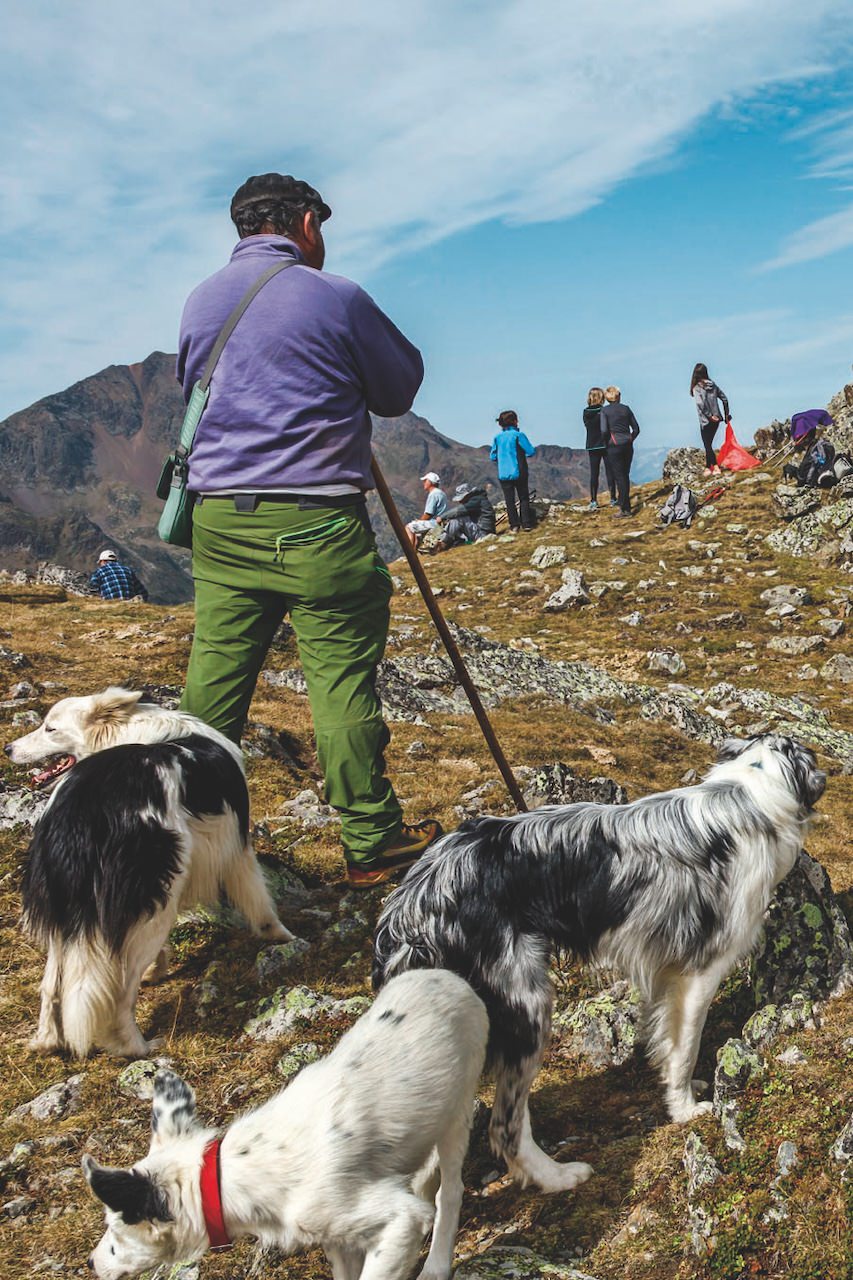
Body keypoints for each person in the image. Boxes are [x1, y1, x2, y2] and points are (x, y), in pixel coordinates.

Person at [176, 172, 441, 890]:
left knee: (212, 691)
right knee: (341, 685)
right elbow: (398, 389)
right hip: (317, 519)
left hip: (221, 519)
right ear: (305, 224)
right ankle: (371, 839)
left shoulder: (201, 300)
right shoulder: (335, 296)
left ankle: (190, 849)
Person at [489, 409, 536, 531]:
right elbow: (531, 451)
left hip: (503, 473)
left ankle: (514, 525)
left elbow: (492, 456)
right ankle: (526, 524)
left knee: (509, 500)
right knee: (523, 497)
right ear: (515, 421)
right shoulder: (518, 435)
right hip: (519, 471)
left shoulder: (497, 438)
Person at [600, 386, 640, 518]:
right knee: (625, 475)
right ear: (618, 396)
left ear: (607, 397)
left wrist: (606, 444)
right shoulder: (626, 409)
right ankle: (624, 505)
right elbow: (636, 429)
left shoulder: (604, 411)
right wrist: (630, 439)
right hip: (627, 445)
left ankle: (625, 509)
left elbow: (604, 430)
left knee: (619, 477)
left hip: (614, 446)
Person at [691, 363, 730, 476]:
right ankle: (708, 467)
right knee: (708, 443)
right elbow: (724, 399)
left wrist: (709, 416)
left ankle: (716, 467)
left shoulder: (697, 388)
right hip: (717, 419)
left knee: (707, 445)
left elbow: (700, 404)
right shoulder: (713, 385)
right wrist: (726, 415)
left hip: (705, 420)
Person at [583, 387, 616, 510]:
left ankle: (593, 500)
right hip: (605, 444)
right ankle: (613, 498)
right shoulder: (604, 411)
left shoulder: (585, 412)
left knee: (594, 473)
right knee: (609, 471)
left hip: (592, 445)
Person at [436, 483, 496, 550]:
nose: (460, 501)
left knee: (457, 520)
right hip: (484, 531)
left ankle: (443, 544)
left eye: (462, 498)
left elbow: (457, 511)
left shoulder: (475, 501)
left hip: (482, 533)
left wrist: (442, 517)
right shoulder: (478, 499)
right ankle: (454, 541)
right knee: (458, 519)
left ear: (467, 495)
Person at [404, 472, 448, 548]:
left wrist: (419, 521)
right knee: (417, 533)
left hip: (435, 523)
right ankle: (415, 551)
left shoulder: (433, 494)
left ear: (430, 482)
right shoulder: (441, 493)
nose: (424, 483)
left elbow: (428, 514)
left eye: (425, 481)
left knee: (409, 527)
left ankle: (410, 553)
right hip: (442, 523)